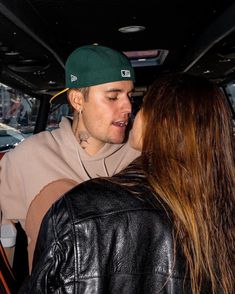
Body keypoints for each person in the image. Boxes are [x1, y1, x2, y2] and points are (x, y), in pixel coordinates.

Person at [21, 73, 234, 294]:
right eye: (113, 97)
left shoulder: (79, 209)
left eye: (141, 104)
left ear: (162, 123)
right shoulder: (223, 208)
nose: (131, 109)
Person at [0, 44, 140, 270]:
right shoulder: (27, 158)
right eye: (113, 96)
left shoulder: (142, 156)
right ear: (77, 100)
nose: (127, 106)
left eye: (129, 95)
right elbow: (5, 238)